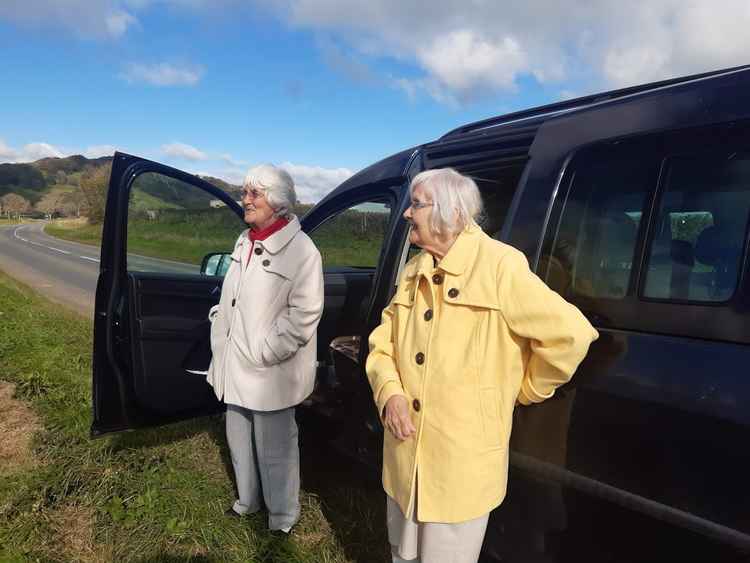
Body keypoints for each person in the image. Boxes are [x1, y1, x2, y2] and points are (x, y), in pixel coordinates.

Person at [366, 168, 599, 562]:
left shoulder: (500, 265)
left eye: (416, 204)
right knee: (400, 554)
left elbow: (572, 335)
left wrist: (523, 389)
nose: (406, 213)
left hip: (461, 468)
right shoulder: (415, 268)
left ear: (451, 214)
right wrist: (390, 392)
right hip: (406, 460)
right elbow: (382, 343)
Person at [206, 164, 324, 533]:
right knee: (238, 438)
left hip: (268, 369)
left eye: (254, 193)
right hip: (234, 362)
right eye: (245, 192)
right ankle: (247, 501)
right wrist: (219, 318)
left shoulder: (303, 251)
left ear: (277, 201)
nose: (246, 199)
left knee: (276, 450)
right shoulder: (245, 240)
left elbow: (304, 314)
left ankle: (282, 518)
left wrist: (266, 352)